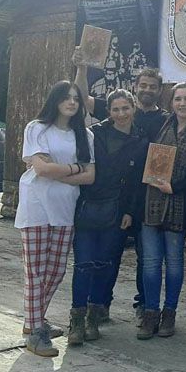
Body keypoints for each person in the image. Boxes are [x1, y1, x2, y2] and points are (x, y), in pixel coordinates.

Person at [74, 53, 168, 324]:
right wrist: (82, 67)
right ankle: (100, 304)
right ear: (135, 87)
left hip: (148, 195)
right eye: (143, 85)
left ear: (159, 90)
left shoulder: (165, 119)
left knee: (145, 256)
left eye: (152, 86)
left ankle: (144, 305)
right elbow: (82, 98)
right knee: (109, 255)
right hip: (112, 198)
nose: (147, 89)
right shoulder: (109, 115)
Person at [15, 81, 95, 357]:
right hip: (37, 205)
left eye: (76, 98)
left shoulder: (85, 135)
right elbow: (41, 170)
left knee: (56, 270)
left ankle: (34, 320)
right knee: (35, 271)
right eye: (66, 97)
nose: (71, 102)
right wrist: (74, 168)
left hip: (65, 208)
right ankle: (36, 330)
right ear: (55, 100)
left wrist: (55, 170)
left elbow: (90, 176)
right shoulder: (37, 128)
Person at [68, 89, 148, 346]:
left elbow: (137, 184)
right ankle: (76, 321)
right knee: (83, 264)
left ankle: (93, 318)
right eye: (116, 109)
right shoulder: (94, 134)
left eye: (125, 108)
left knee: (105, 265)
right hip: (87, 207)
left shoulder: (140, 141)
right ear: (109, 111)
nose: (121, 114)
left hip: (117, 212)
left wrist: (130, 212)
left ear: (133, 108)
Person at [138, 82, 186, 340]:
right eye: (178, 99)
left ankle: (169, 313)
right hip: (150, 203)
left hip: (180, 204)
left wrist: (175, 186)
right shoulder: (159, 125)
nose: (182, 103)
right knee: (150, 263)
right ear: (171, 103)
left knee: (173, 262)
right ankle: (150, 313)